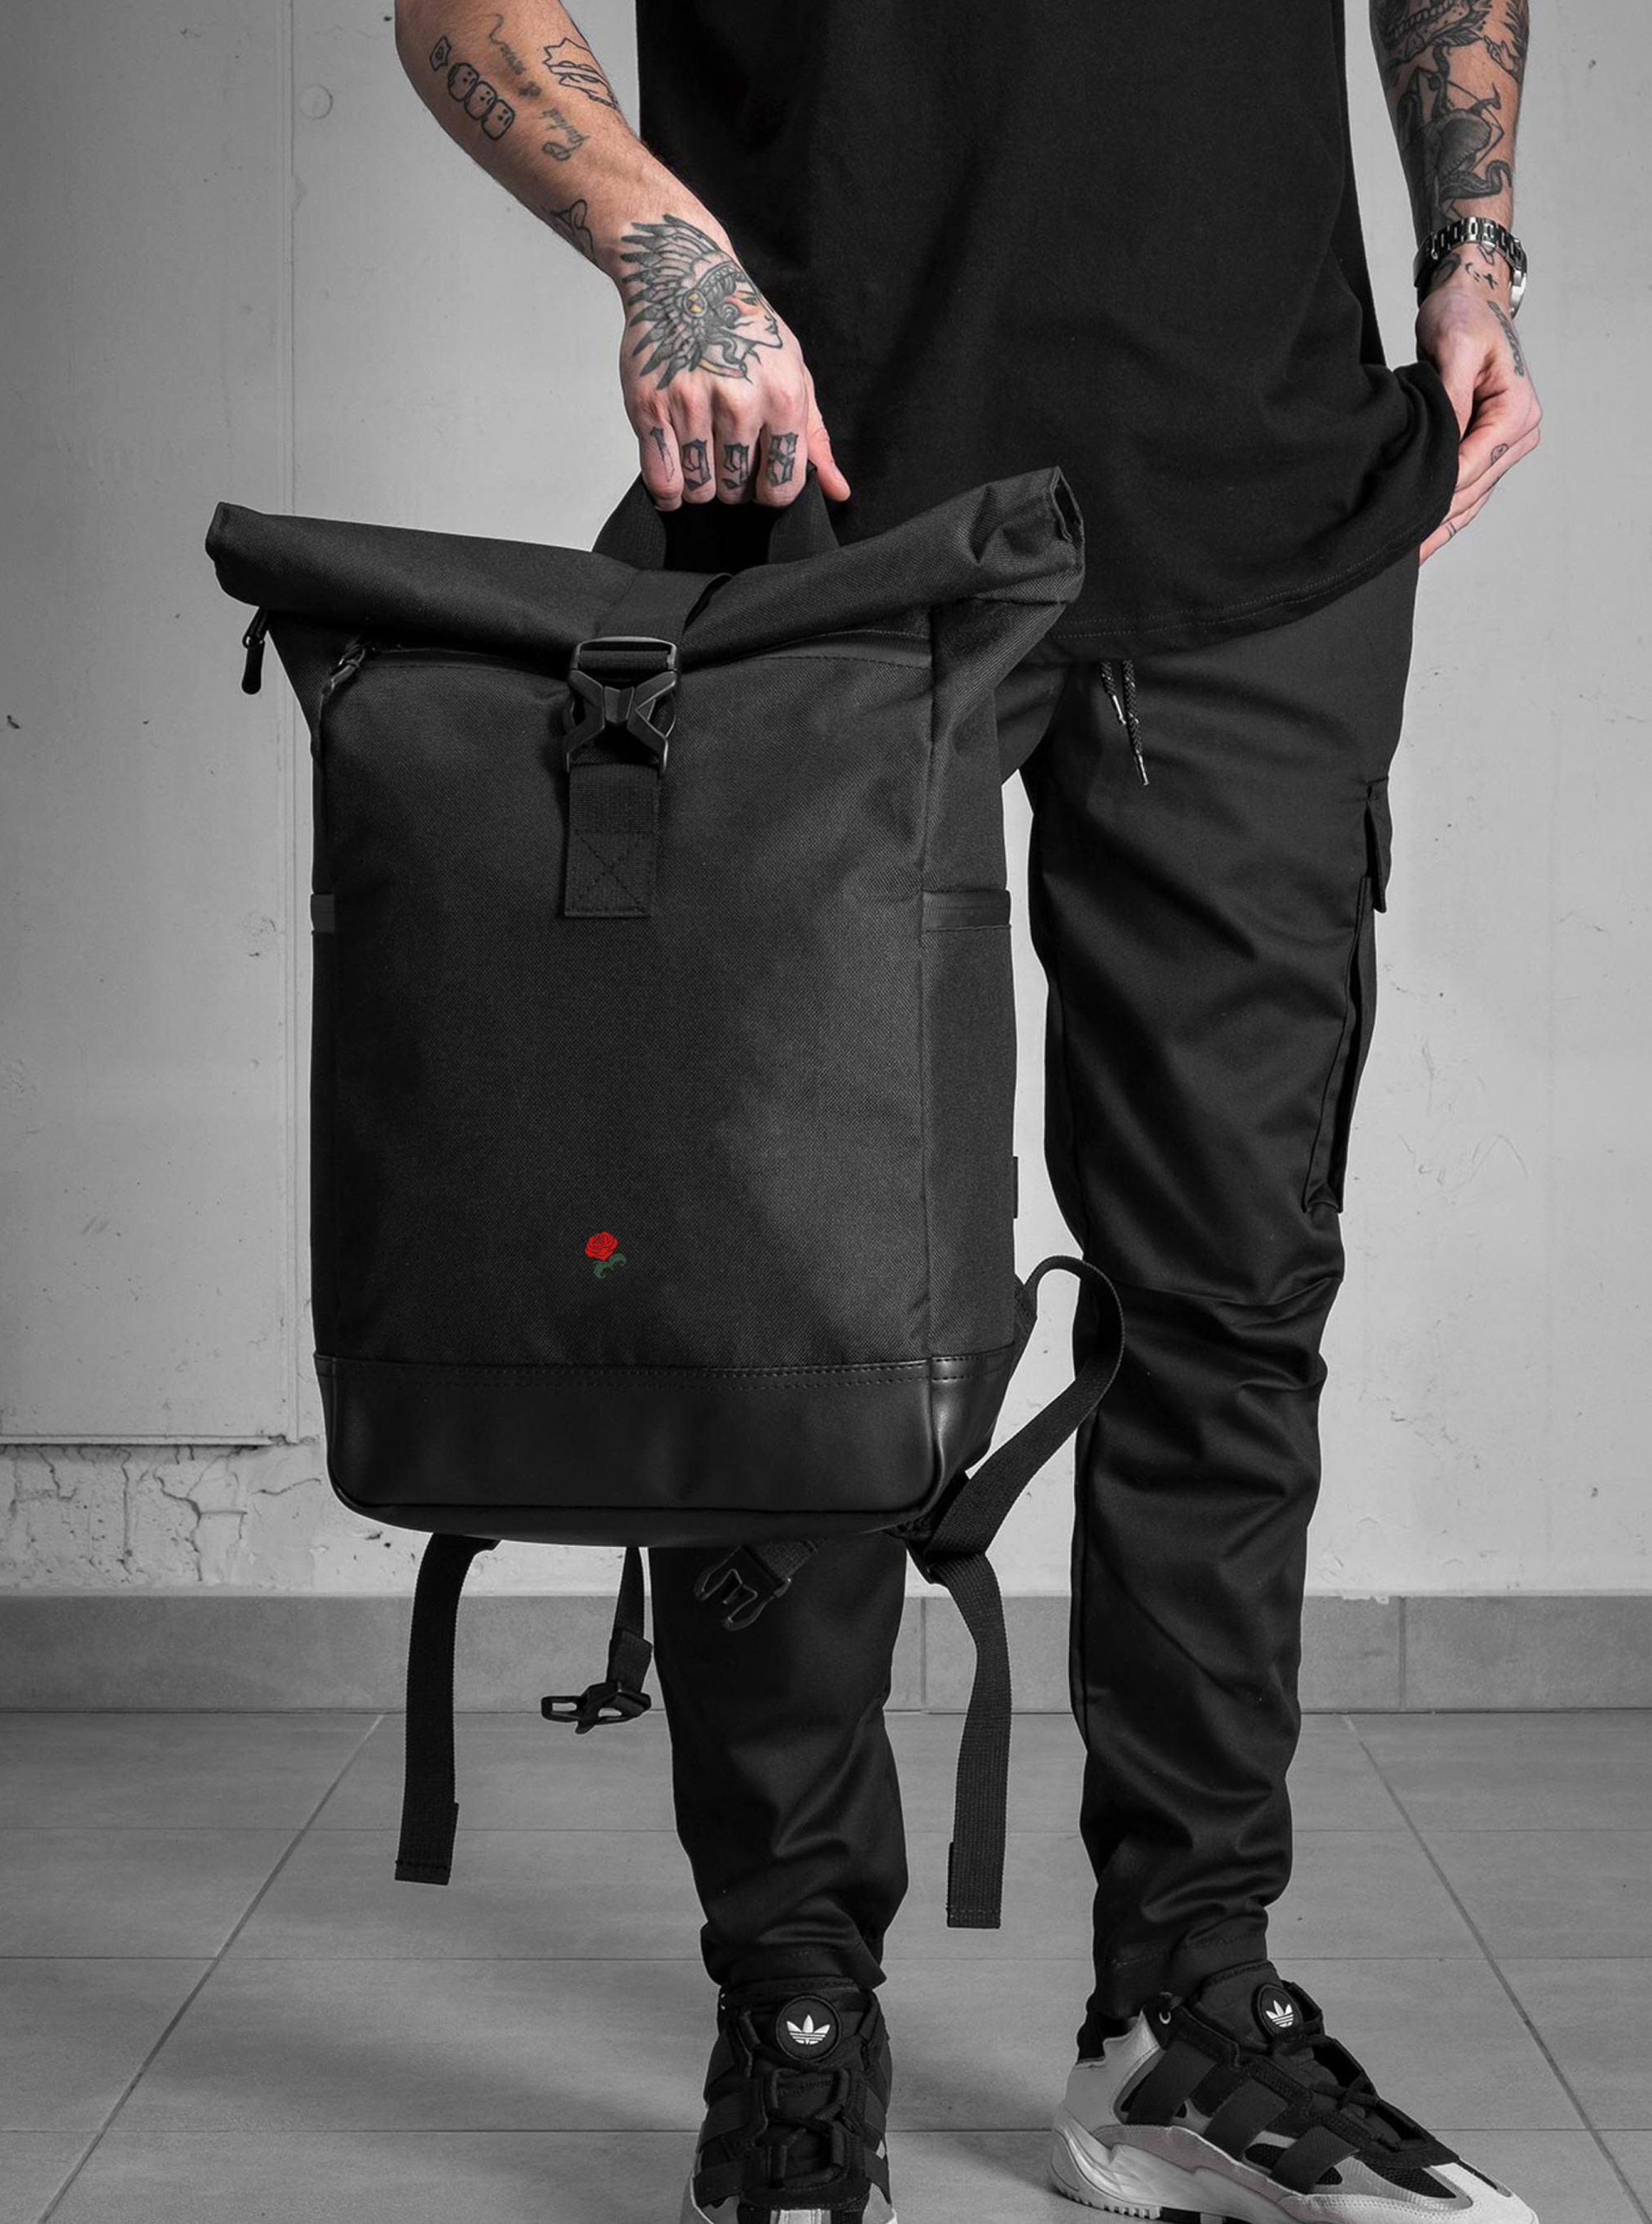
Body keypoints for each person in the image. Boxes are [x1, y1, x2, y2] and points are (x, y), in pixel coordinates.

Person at [391, 5, 1544, 2221]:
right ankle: (795, 2016)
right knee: (780, 1313)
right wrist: (664, 254)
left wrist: (1471, 245)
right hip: (815, 499)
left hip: (1263, 501)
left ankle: (1189, 2019)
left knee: (1227, 1293)